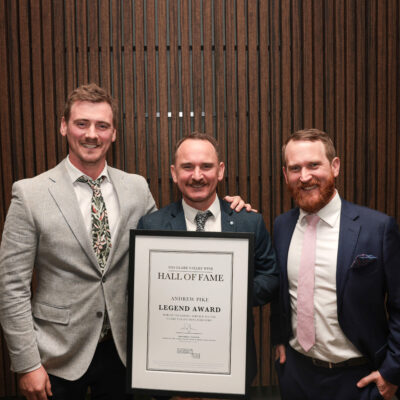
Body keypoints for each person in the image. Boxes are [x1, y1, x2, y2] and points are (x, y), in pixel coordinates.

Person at [0, 84, 247, 400]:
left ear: (113, 133)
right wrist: (26, 363)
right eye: (82, 123)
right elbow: (12, 286)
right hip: (55, 356)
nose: (92, 134)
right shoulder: (30, 194)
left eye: (102, 125)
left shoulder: (136, 188)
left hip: (125, 353)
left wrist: (227, 212)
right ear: (64, 126)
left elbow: (171, 251)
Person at [138, 132, 279, 394]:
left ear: (221, 170)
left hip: (232, 366)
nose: (197, 175)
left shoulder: (249, 222)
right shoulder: (153, 225)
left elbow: (270, 277)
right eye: (187, 167)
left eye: (206, 166)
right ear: (173, 172)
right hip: (170, 369)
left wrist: (229, 294)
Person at [272, 128, 400, 400]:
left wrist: (392, 371)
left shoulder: (377, 228)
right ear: (285, 175)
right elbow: (281, 292)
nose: (304, 177)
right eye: (295, 168)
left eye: (313, 165)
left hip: (357, 380)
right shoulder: (281, 226)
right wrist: (278, 339)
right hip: (296, 376)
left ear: (335, 166)